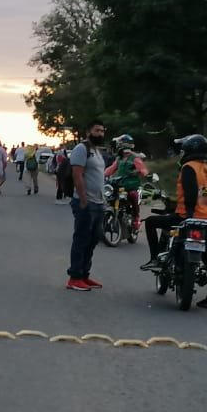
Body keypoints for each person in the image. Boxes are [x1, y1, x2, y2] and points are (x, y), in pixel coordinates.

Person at [141, 134, 207, 309]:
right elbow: (205, 194)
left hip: (186, 216)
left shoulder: (188, 167)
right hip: (205, 217)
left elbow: (190, 193)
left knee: (151, 222)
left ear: (190, 150)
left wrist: (189, 214)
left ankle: (155, 259)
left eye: (183, 149)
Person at [66, 120, 107, 291]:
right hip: (85, 203)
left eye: (102, 131)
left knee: (93, 240)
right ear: (88, 131)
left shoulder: (96, 151)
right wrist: (83, 200)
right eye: (97, 130)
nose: (100, 134)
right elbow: (77, 175)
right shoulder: (81, 149)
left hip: (98, 203)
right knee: (81, 239)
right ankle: (74, 278)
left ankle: (84, 274)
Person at [103, 136, 147, 231]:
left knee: (133, 195)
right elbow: (110, 170)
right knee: (110, 196)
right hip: (120, 185)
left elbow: (144, 171)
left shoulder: (135, 158)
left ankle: (136, 218)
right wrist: (102, 174)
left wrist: (137, 172)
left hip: (132, 186)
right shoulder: (119, 159)